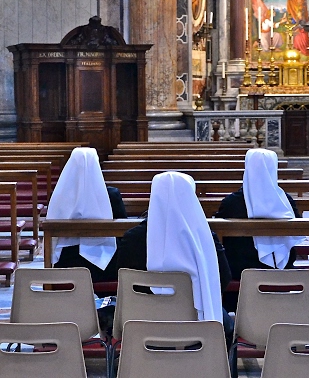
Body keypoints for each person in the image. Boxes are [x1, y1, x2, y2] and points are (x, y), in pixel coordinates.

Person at [117, 171, 233, 345]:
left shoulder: (132, 238)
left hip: (142, 321)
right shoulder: (205, 238)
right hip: (194, 320)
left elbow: (122, 280)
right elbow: (223, 278)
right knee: (227, 325)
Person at [215, 148, 304, 312]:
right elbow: (297, 232)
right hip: (279, 269)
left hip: (239, 272)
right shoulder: (285, 202)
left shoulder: (231, 203)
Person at [46, 147, 126, 283]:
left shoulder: (59, 196)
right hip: (107, 263)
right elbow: (123, 230)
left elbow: (52, 232)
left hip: (68, 263)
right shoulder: (112, 195)